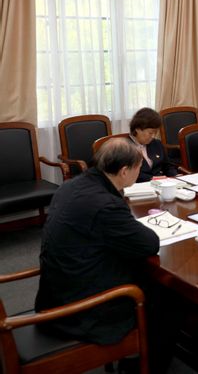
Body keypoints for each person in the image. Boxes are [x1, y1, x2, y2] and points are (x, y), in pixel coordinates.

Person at [35, 139, 163, 367]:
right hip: (81, 311)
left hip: (54, 293)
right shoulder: (105, 204)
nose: (140, 172)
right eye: (138, 168)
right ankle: (146, 365)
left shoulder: (72, 185)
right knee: (166, 294)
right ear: (124, 171)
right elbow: (149, 244)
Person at [128, 107, 177, 182]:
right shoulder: (125, 148)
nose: (153, 136)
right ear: (137, 129)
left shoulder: (156, 143)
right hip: (140, 185)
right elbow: (129, 174)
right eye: (150, 133)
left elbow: (167, 165)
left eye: (155, 132)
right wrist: (154, 178)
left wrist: (175, 176)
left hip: (162, 183)